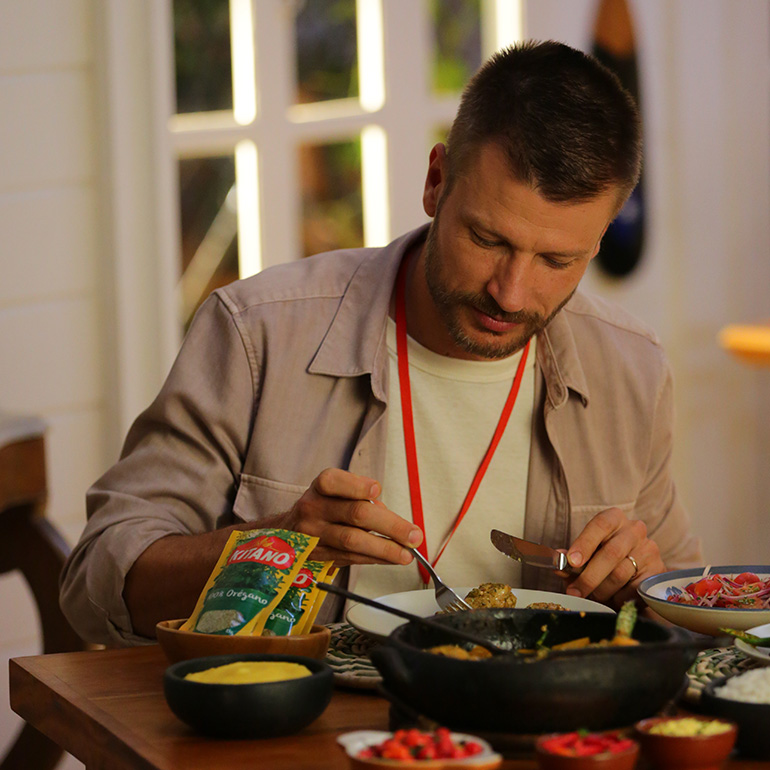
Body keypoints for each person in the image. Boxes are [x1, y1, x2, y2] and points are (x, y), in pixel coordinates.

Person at [60, 40, 701, 646]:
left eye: (557, 261)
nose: (510, 292)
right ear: (435, 180)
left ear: (599, 239)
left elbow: (695, 628)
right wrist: (278, 542)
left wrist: (646, 591)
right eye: (488, 240)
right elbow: (95, 586)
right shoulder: (258, 333)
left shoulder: (632, 370)